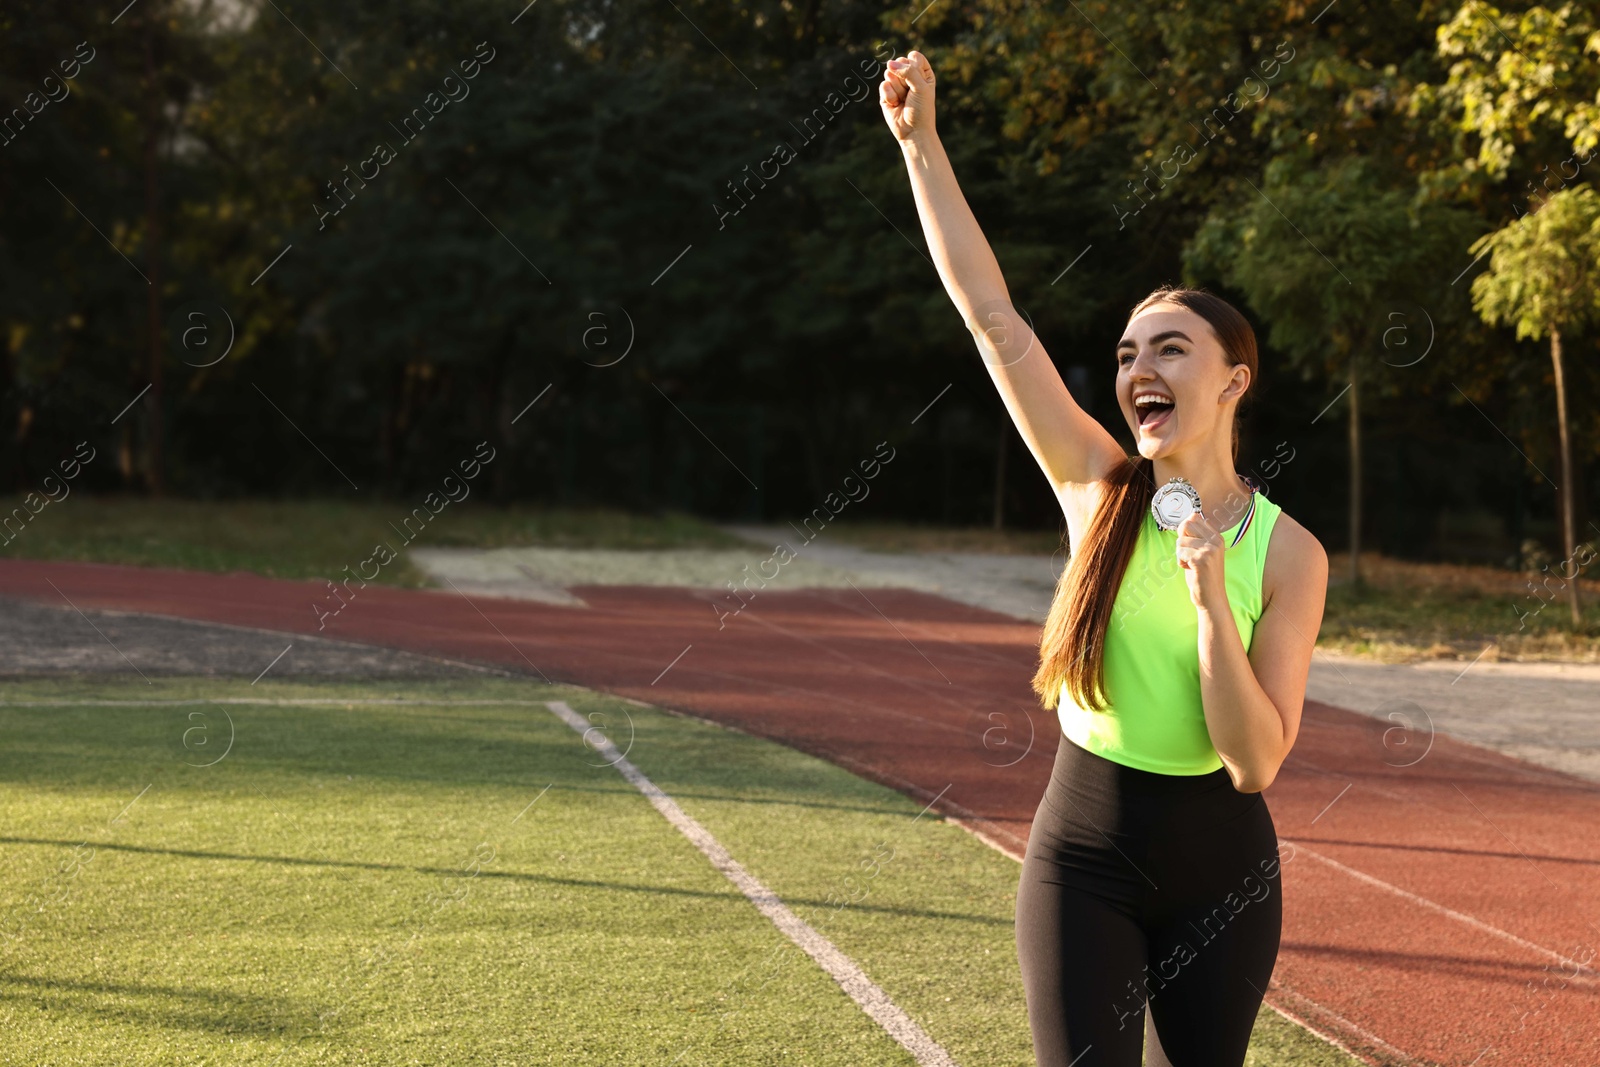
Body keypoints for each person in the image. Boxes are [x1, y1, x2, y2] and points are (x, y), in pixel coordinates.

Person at [878, 50, 1330, 1067]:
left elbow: (1255, 759)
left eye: (1169, 348)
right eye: (1127, 353)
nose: (1139, 369)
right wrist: (921, 148)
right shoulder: (1095, 485)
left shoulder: (1289, 552)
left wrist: (1212, 600)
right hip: (1082, 854)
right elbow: (993, 320)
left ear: (1232, 381)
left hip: (1222, 872)